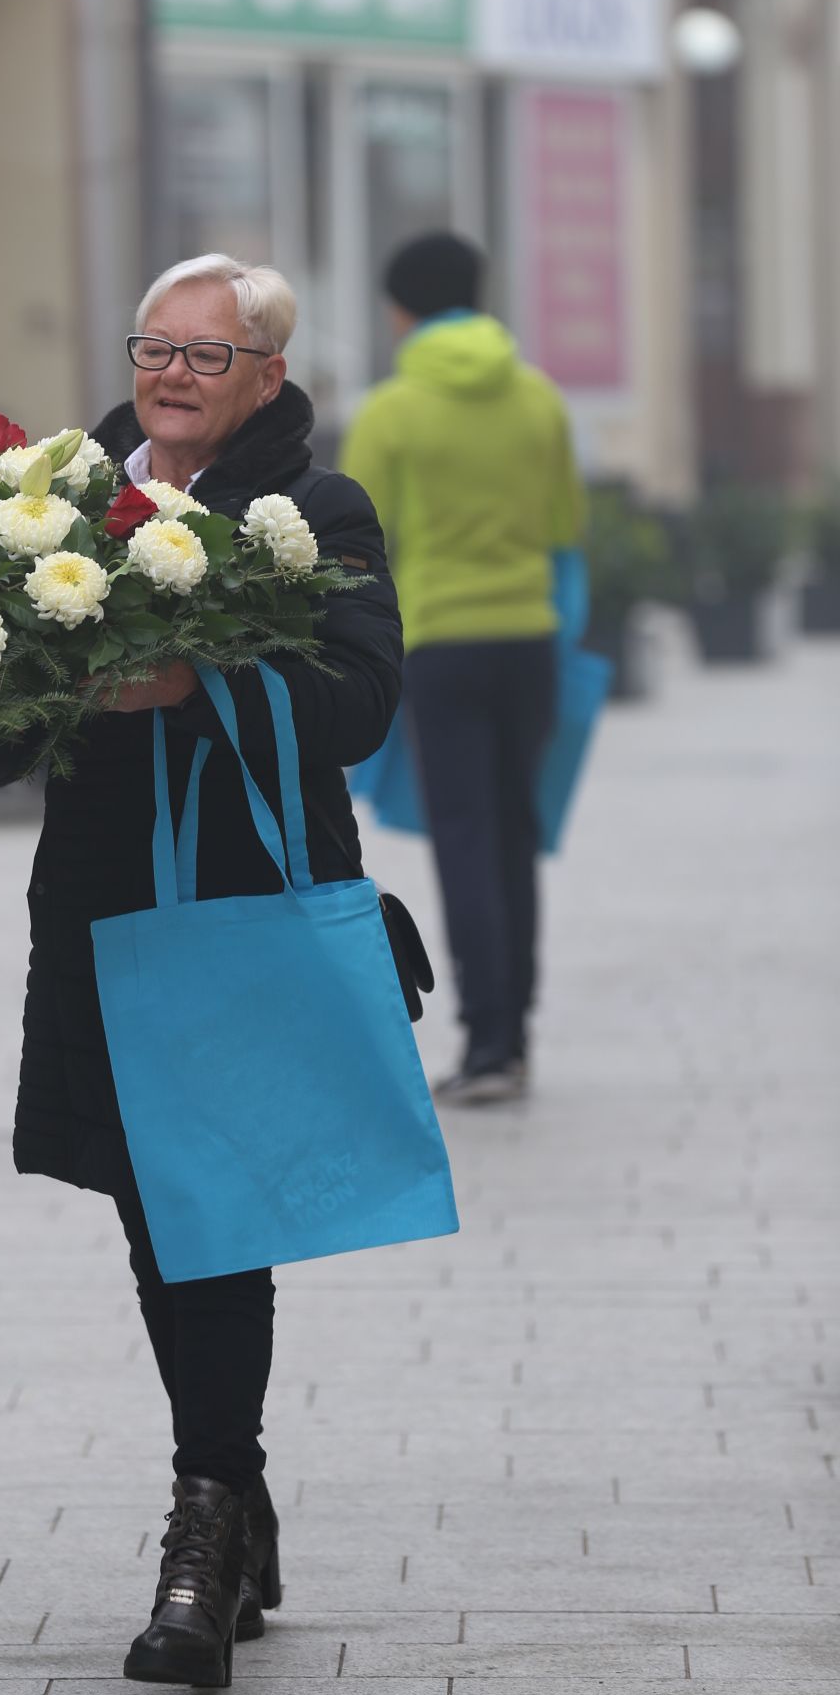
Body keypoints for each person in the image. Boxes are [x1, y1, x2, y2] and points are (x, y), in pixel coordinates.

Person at [0, 254, 403, 1688]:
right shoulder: (49, 509)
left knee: (210, 1214)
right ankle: (240, 1492)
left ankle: (203, 1537)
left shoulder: (313, 514)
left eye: (208, 356)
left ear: (267, 377)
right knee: (162, 1220)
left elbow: (355, 707)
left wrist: (196, 682)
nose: (172, 373)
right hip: (100, 904)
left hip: (242, 900)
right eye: (157, 347)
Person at [340, 232, 587, 1107]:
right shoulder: (540, 401)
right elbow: (565, 525)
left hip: (440, 641)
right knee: (516, 836)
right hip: (529, 640)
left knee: (467, 837)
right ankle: (512, 1034)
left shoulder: (393, 410)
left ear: (402, 308)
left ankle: (483, 1046)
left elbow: (356, 538)